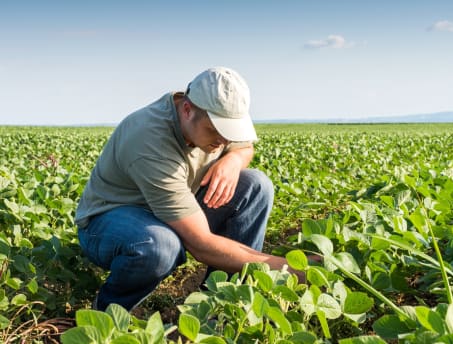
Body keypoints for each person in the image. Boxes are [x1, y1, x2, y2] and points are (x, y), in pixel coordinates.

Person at [75, 66, 311, 312]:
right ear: (187, 110)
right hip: (110, 221)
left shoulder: (211, 120)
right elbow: (201, 244)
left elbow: (244, 147)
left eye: (230, 132)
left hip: (171, 208)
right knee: (160, 245)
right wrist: (292, 271)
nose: (224, 141)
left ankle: (223, 304)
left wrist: (234, 160)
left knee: (256, 185)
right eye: (216, 131)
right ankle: (106, 313)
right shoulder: (148, 139)